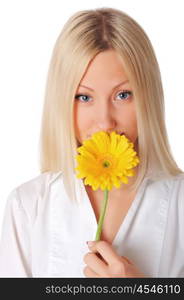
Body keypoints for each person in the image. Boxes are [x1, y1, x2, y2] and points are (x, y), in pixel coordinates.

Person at [0, 7, 184, 278]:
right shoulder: (27, 206)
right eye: (84, 97)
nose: (105, 121)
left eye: (123, 95)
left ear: (149, 97)